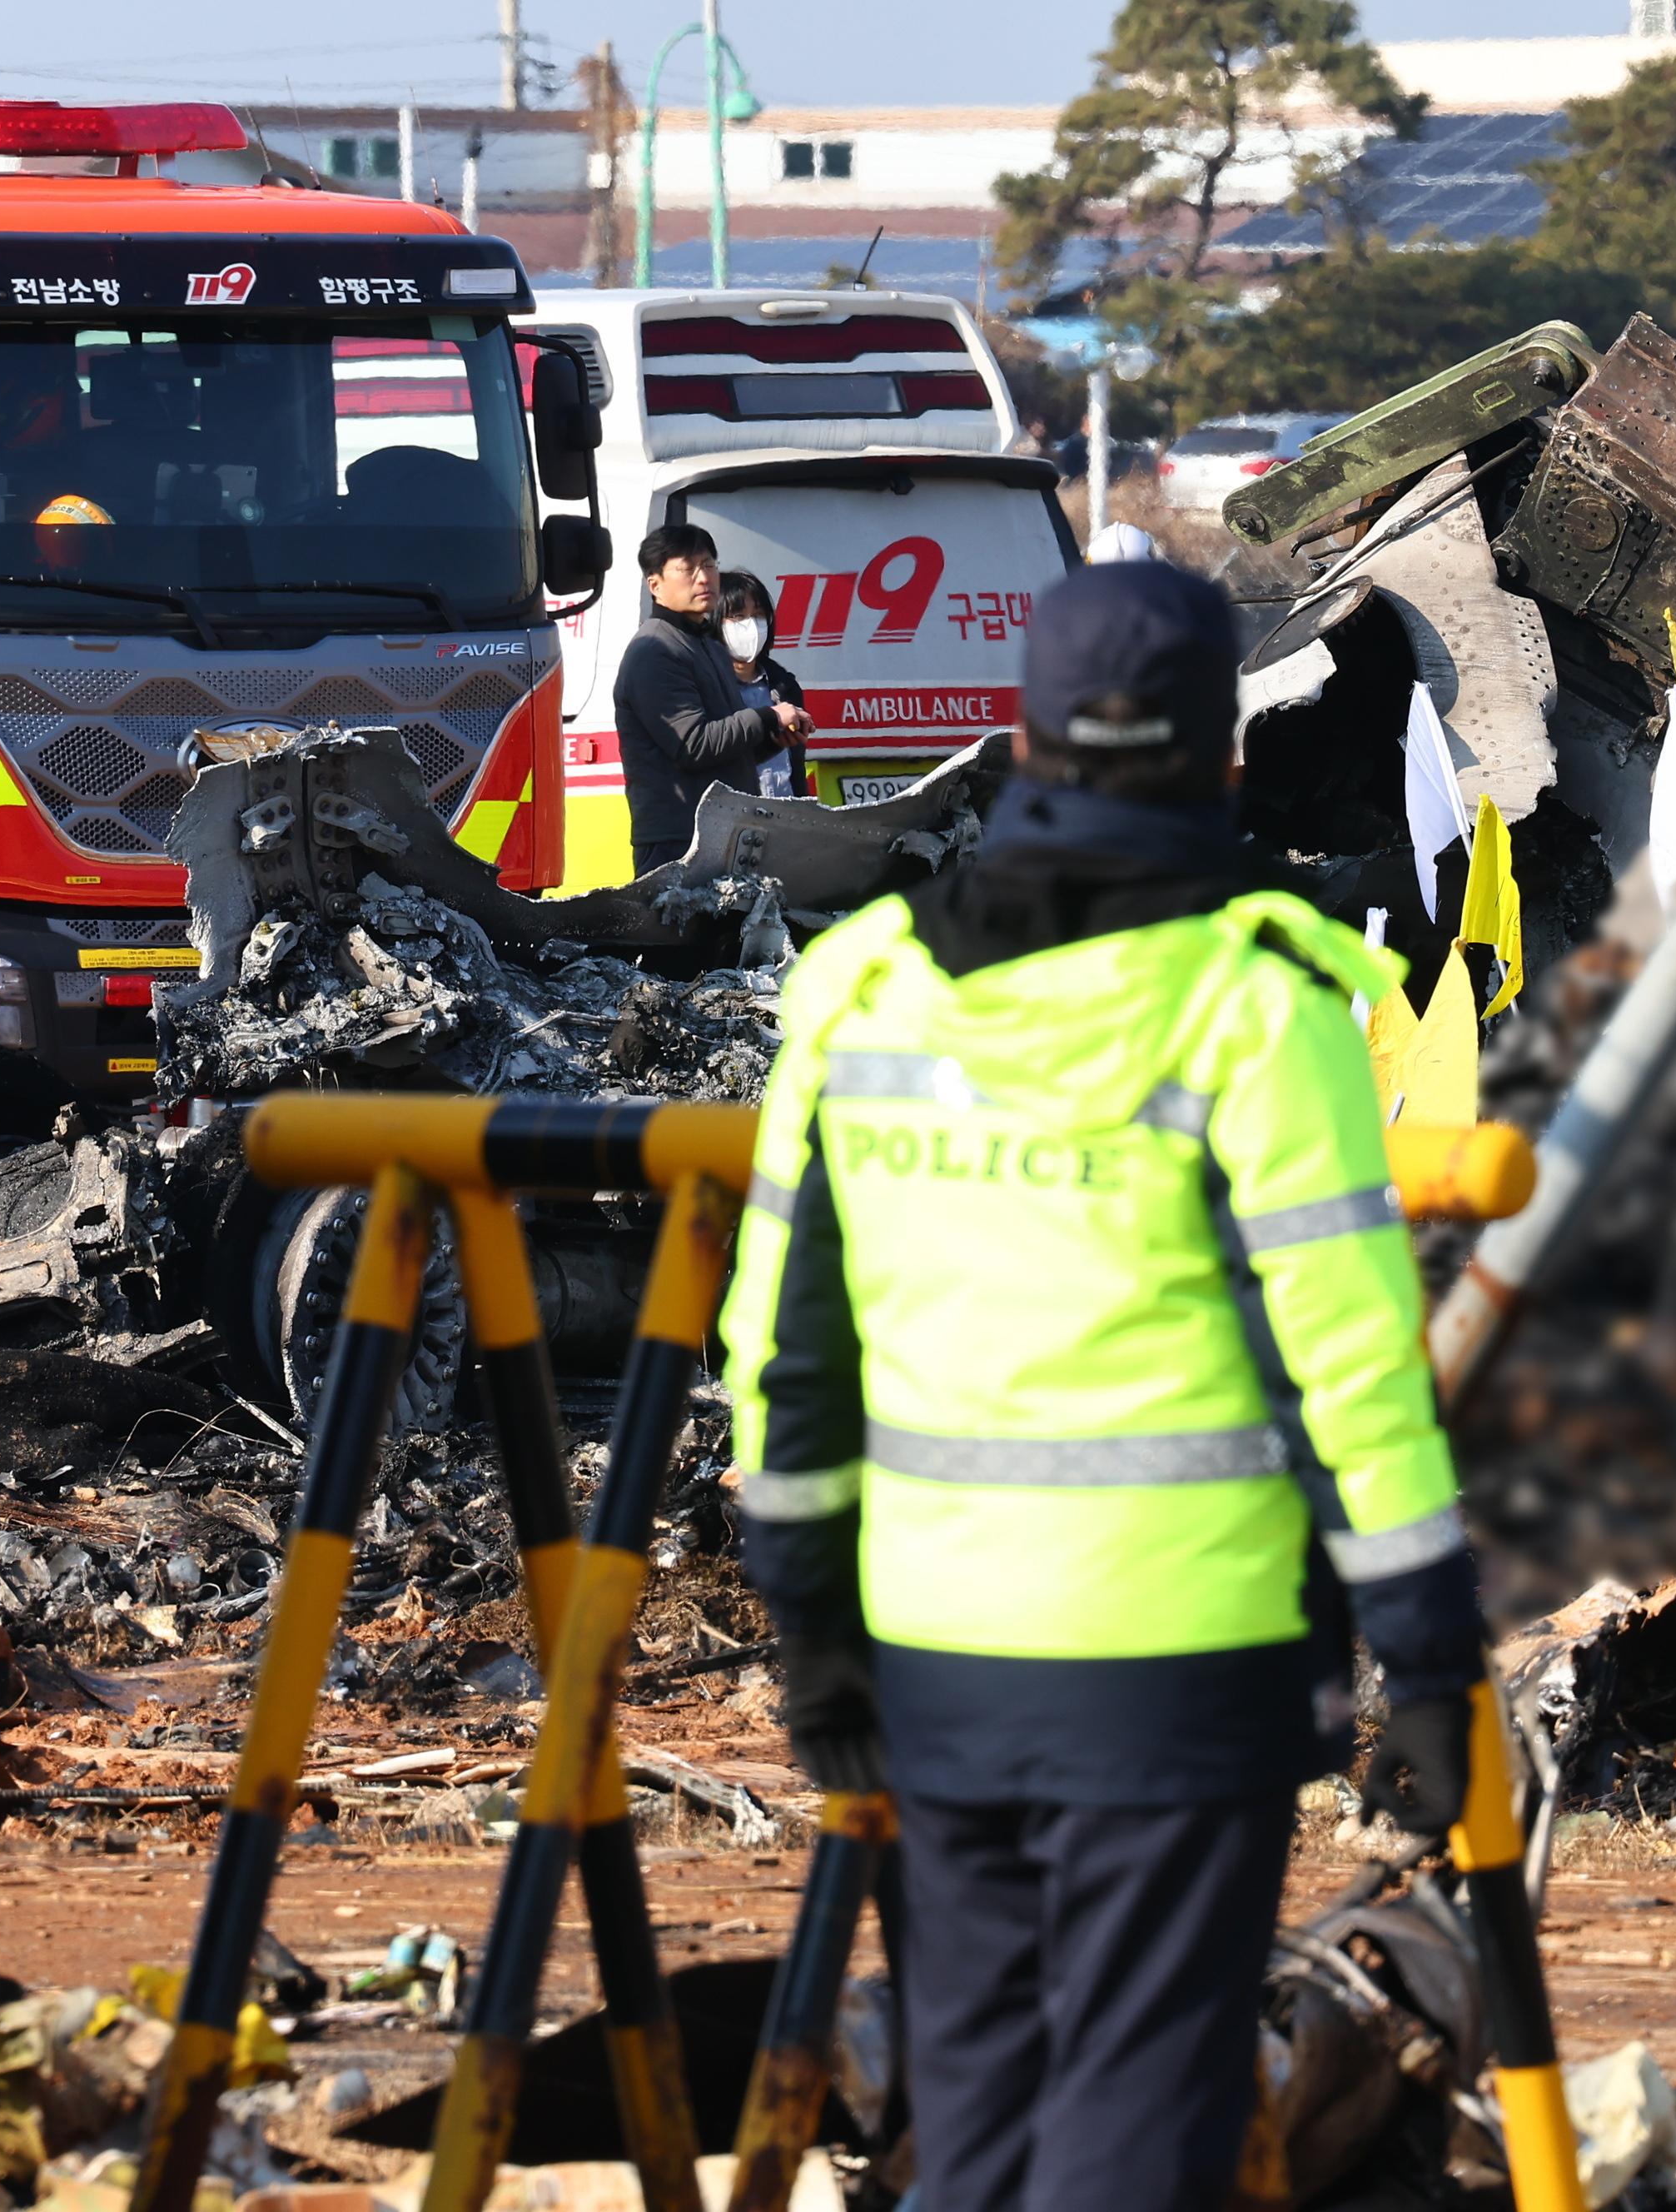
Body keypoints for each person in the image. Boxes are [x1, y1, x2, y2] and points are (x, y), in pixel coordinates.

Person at [718, 561, 1488, 2212]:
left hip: (935, 1664)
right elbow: (1355, 1379)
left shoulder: (865, 993)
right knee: (1142, 2111)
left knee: (976, 2101)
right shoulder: (1257, 1014)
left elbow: (783, 1367)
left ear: (1029, 738)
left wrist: (811, 1638)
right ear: (1221, 757)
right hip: (1178, 1672)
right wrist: (1426, 1658)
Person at [614, 525, 813, 871]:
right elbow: (693, 744)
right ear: (655, 585)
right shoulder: (655, 649)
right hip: (678, 844)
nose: (703, 578)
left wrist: (772, 742)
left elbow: (723, 748)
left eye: (708, 565)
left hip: (723, 833)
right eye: (687, 569)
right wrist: (767, 717)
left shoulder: (706, 643)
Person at [714, 568, 811, 799]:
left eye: (757, 615)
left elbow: (794, 767)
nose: (751, 626)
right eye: (737, 616)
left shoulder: (784, 686)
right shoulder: (708, 687)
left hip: (785, 818)